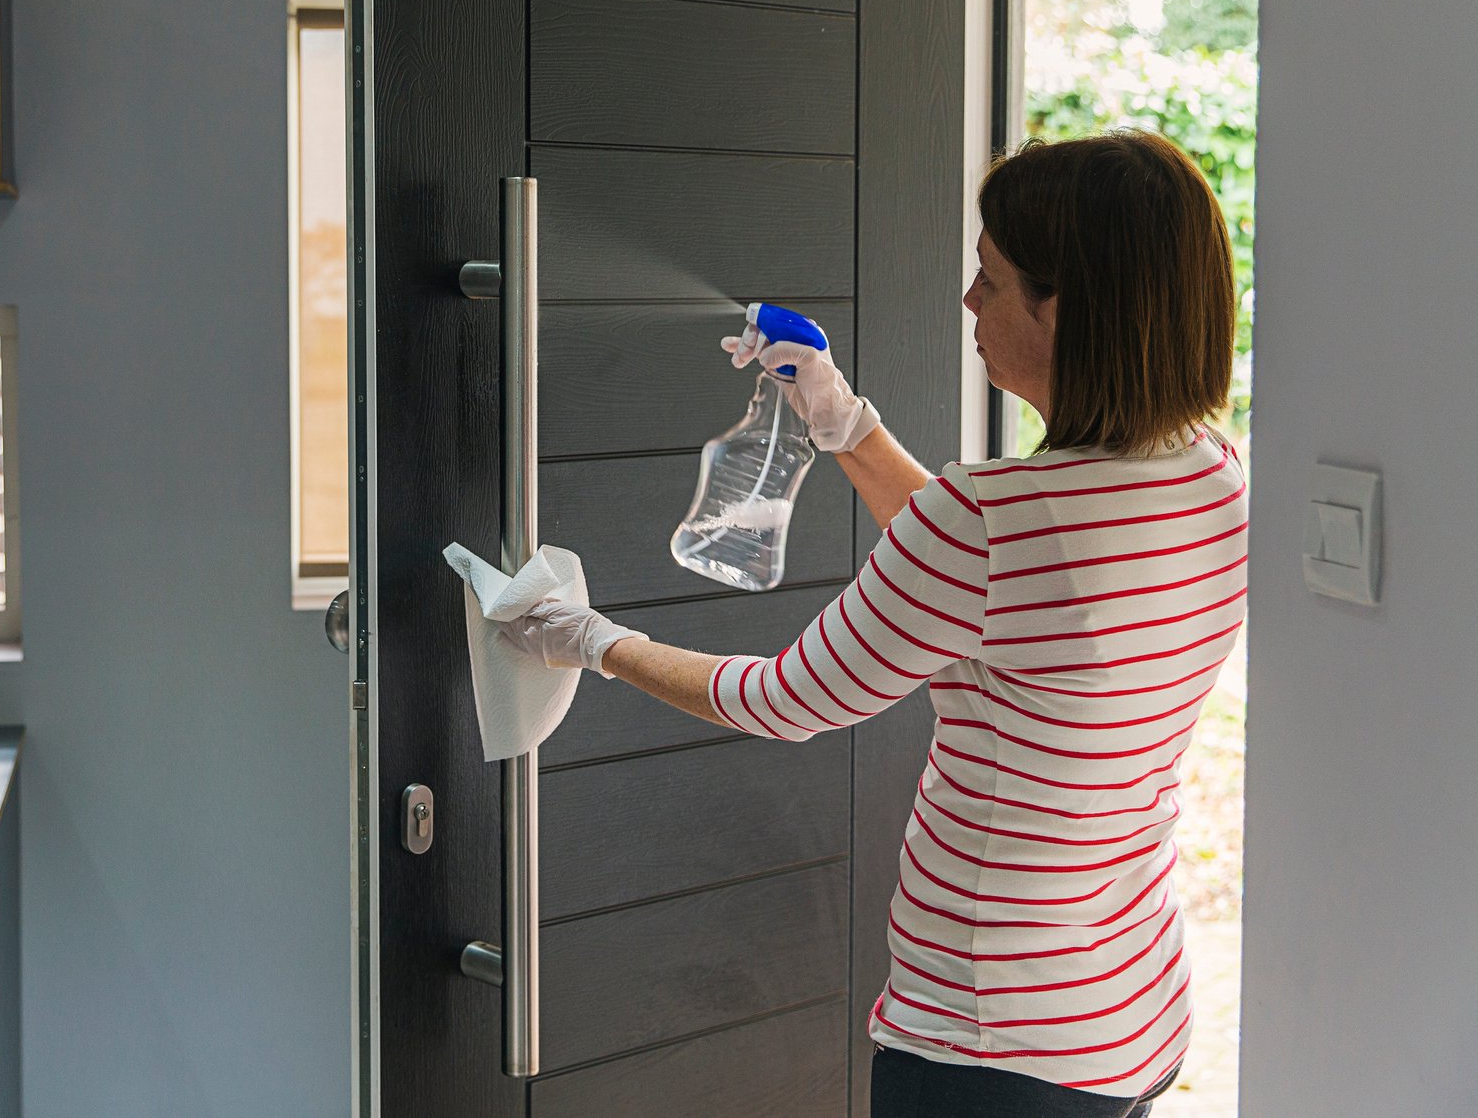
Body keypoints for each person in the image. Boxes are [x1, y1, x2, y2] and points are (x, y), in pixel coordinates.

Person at [505, 131, 1247, 1117]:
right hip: (1127, 1008)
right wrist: (838, 417)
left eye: (990, 279)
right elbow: (992, 581)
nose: (970, 304)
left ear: (1064, 306)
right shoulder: (1210, 472)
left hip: (991, 1048)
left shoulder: (990, 520)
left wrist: (590, 640)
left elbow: (785, 701)